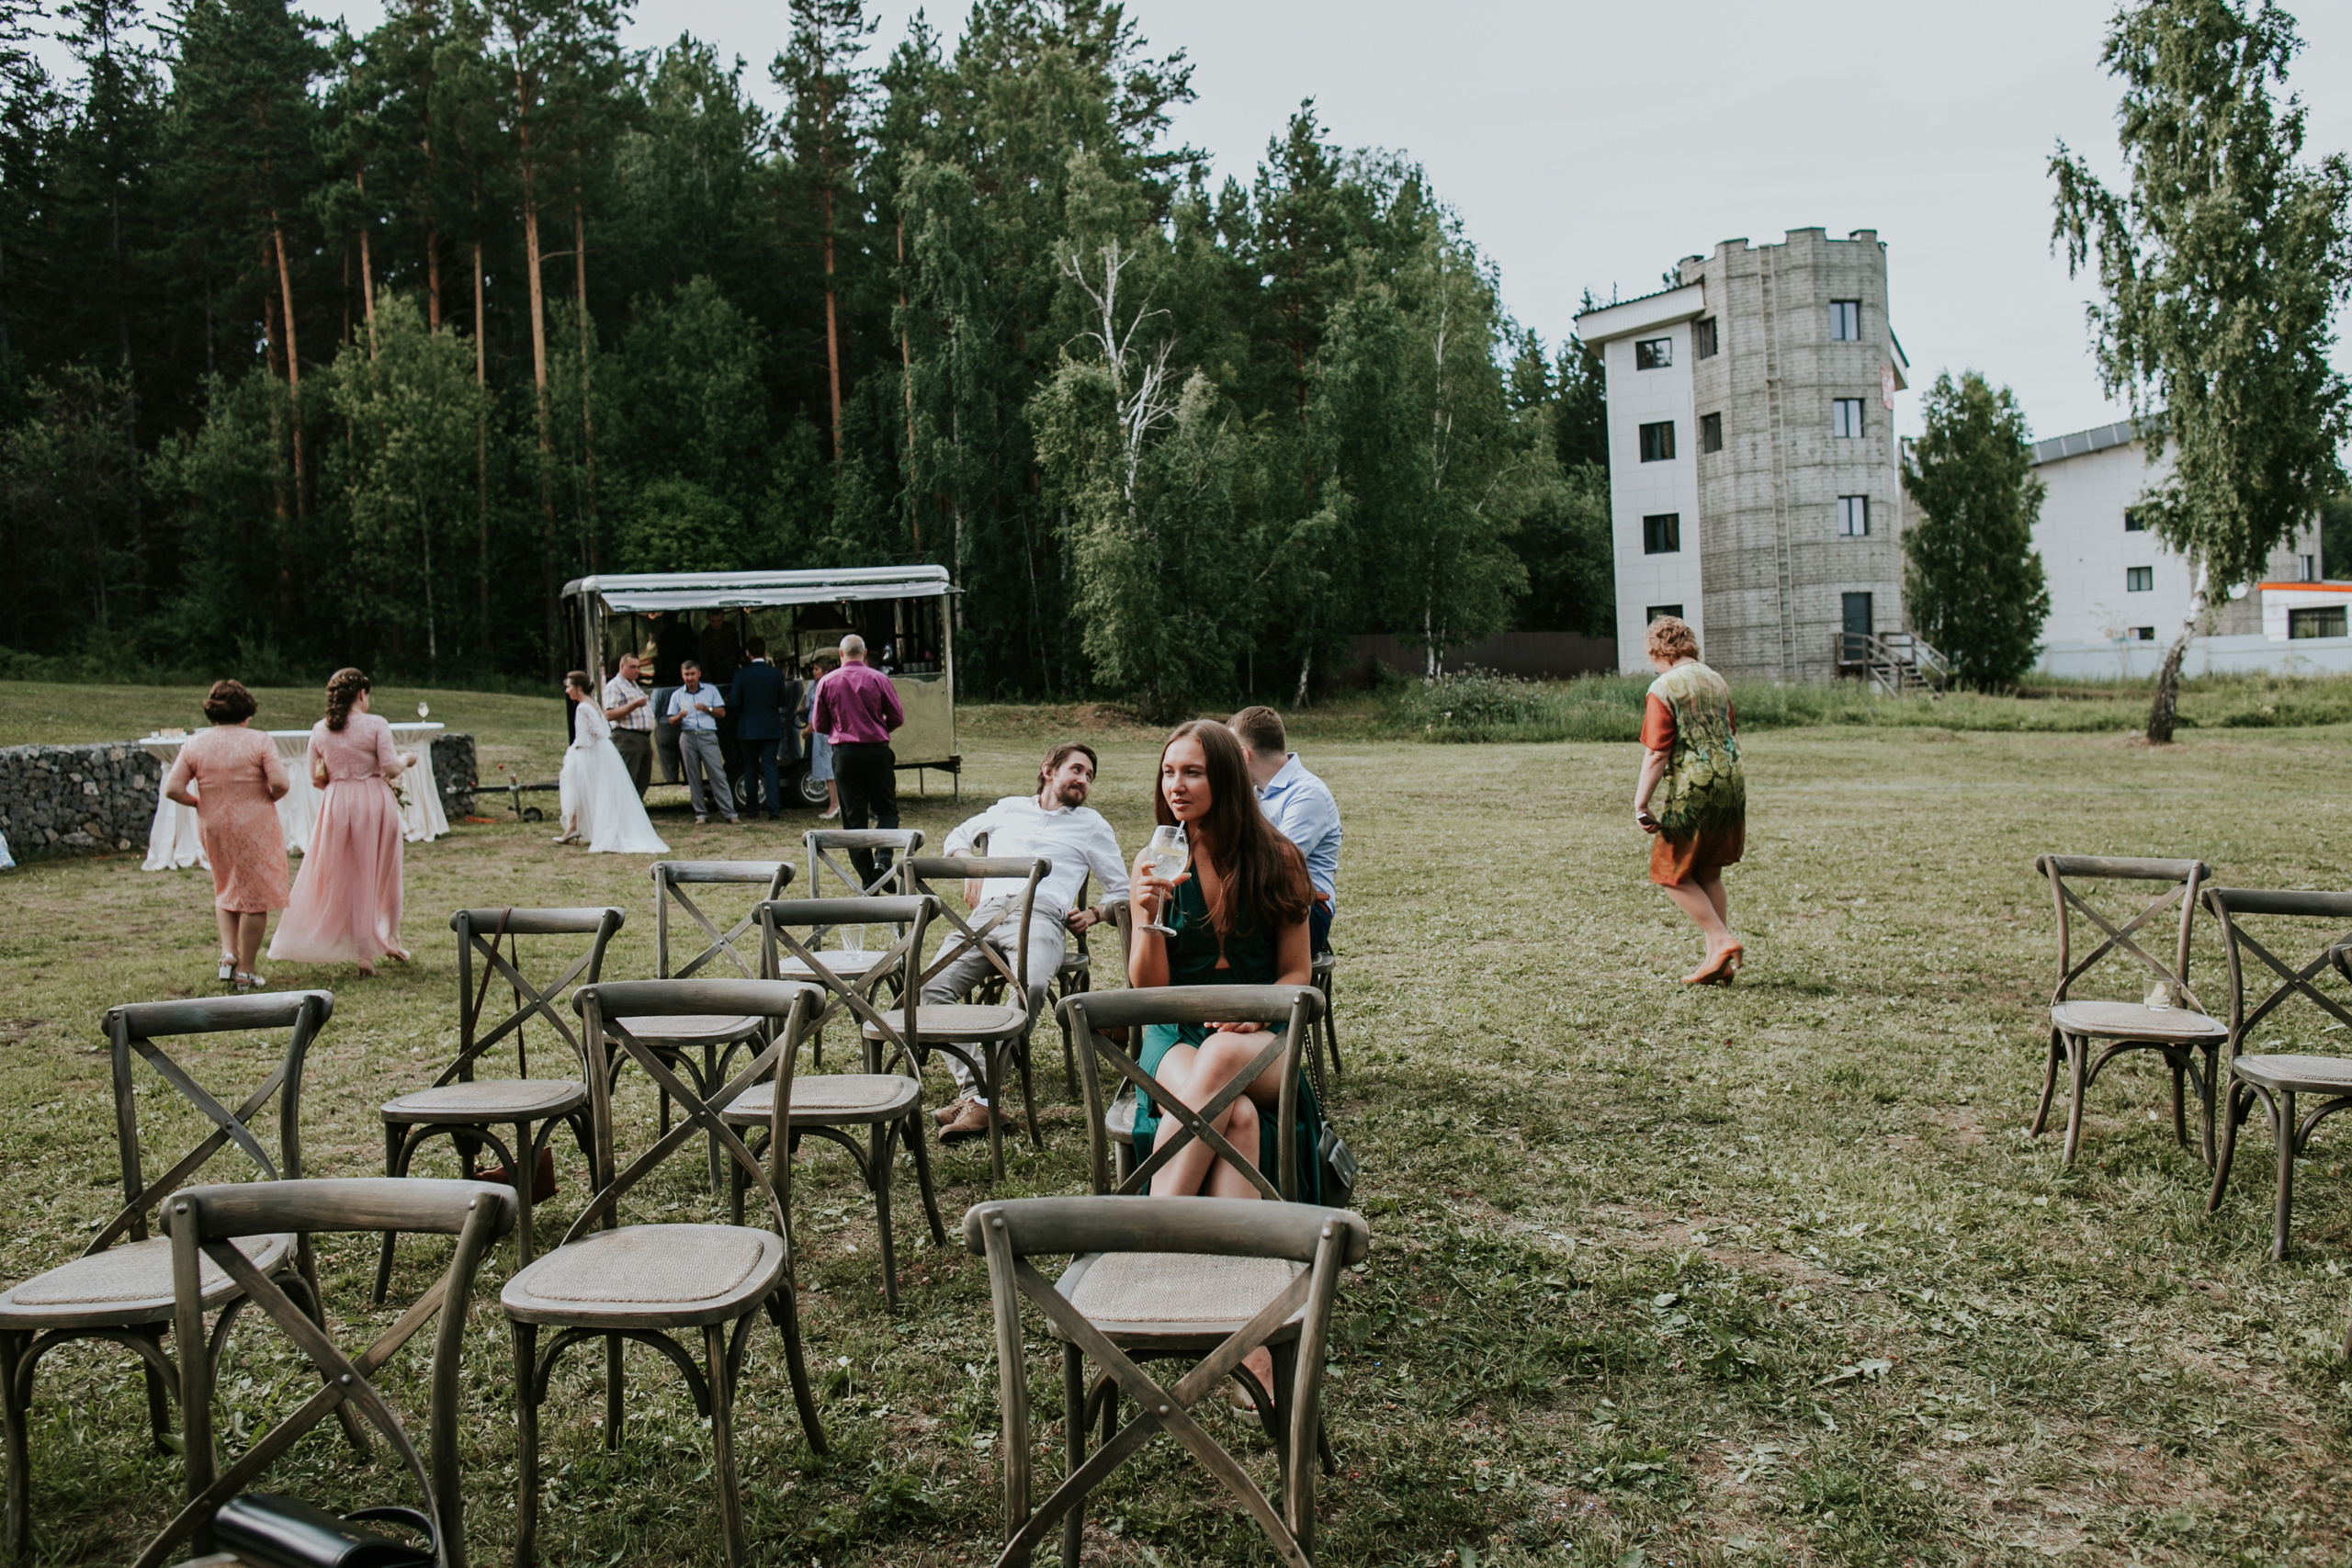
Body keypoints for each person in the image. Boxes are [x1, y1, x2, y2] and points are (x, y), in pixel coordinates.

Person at [924, 743, 1131, 1145]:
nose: (1083, 780)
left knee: (1032, 985)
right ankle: (978, 1093)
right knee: (927, 989)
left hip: (1041, 916)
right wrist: (972, 866)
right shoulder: (1007, 809)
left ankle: (977, 1099)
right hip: (983, 918)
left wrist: (1094, 914)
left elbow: (1120, 890)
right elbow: (957, 835)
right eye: (1077, 769)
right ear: (1048, 770)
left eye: (1089, 775)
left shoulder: (1092, 825)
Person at [270, 667, 415, 976]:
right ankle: (385, 941)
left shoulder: (320, 729)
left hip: (336, 802)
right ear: (361, 694)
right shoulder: (376, 724)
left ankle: (364, 950)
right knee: (382, 871)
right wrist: (407, 759)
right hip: (374, 800)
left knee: (344, 873)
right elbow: (390, 768)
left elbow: (315, 778)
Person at [1633, 614, 1746, 985]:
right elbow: (1732, 734)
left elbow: (1656, 753)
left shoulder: (1664, 687)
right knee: (1707, 869)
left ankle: (1721, 940)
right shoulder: (1717, 680)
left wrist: (1640, 803)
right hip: (1730, 782)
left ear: (1658, 651)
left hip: (1694, 788)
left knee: (1670, 872)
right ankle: (1719, 961)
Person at [162, 679, 291, 990]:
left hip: (213, 822)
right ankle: (246, 969)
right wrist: (264, 799)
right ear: (246, 712)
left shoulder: (194, 744)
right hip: (255, 821)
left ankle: (228, 954)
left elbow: (173, 789)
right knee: (256, 896)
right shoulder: (259, 741)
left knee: (226, 886)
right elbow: (280, 784)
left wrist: (200, 803)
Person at [1228, 705, 1342, 955]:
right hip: (1257, 902)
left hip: (1304, 911)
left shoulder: (1307, 793)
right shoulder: (1253, 791)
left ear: (1243, 754)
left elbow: (1276, 864)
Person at [811, 634, 903, 884]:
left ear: (841, 655)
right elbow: (897, 717)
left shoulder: (827, 682)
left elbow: (819, 724)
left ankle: (867, 876)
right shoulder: (879, 679)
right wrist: (878, 727)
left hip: (845, 755)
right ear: (864, 654)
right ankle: (882, 860)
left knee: (854, 817)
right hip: (876, 750)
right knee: (887, 809)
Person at [558, 671, 670, 854]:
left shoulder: (582, 708)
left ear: (578, 688)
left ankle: (584, 828)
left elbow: (588, 735)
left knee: (585, 788)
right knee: (587, 789)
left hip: (592, 751)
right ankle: (573, 827)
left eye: (569, 686)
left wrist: (575, 749)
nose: (567, 690)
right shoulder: (592, 704)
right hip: (604, 749)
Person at [729, 636, 794, 821]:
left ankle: (752, 809)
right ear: (765, 652)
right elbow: (782, 700)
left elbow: (735, 703)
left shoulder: (741, 674)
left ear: (748, 654)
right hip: (771, 726)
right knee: (770, 767)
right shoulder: (775, 674)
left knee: (750, 768)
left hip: (748, 728)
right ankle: (774, 810)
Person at [666, 660, 738, 825]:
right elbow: (671, 720)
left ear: (699, 674)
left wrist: (707, 709)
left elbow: (722, 713)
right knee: (693, 776)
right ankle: (701, 814)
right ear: (682, 675)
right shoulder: (677, 695)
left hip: (707, 734)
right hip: (688, 735)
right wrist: (679, 717)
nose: (690, 678)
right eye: (686, 675)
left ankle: (729, 813)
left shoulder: (710, 690)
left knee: (717, 774)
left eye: (692, 674)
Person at [697, 609, 746, 796]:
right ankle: (731, 760)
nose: (716, 624)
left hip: (732, 676)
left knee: (735, 723)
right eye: (713, 621)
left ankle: (737, 760)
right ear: (709, 620)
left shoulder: (731, 629)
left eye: (719, 620)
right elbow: (704, 663)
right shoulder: (704, 637)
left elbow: (737, 651)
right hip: (716, 681)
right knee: (724, 728)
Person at [649, 611, 697, 785]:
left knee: (668, 764)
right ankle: (691, 785)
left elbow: (652, 710)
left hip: (664, 726)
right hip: (686, 726)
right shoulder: (686, 630)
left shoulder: (661, 689)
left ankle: (671, 784)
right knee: (689, 763)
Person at [602, 652, 655, 796]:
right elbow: (609, 714)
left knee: (642, 782)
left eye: (638, 667)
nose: (636, 670)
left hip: (642, 738)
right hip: (627, 738)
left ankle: (637, 817)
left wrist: (647, 744)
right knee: (627, 782)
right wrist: (634, 705)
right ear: (621, 666)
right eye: (632, 667)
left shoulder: (634, 686)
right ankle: (623, 817)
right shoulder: (615, 686)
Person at [800, 656, 840, 819]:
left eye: (817, 669)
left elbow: (819, 709)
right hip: (819, 729)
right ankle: (836, 804)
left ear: (825, 670)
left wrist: (810, 727)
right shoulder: (815, 685)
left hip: (823, 730)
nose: (813, 672)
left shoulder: (825, 686)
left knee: (827, 766)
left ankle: (834, 805)